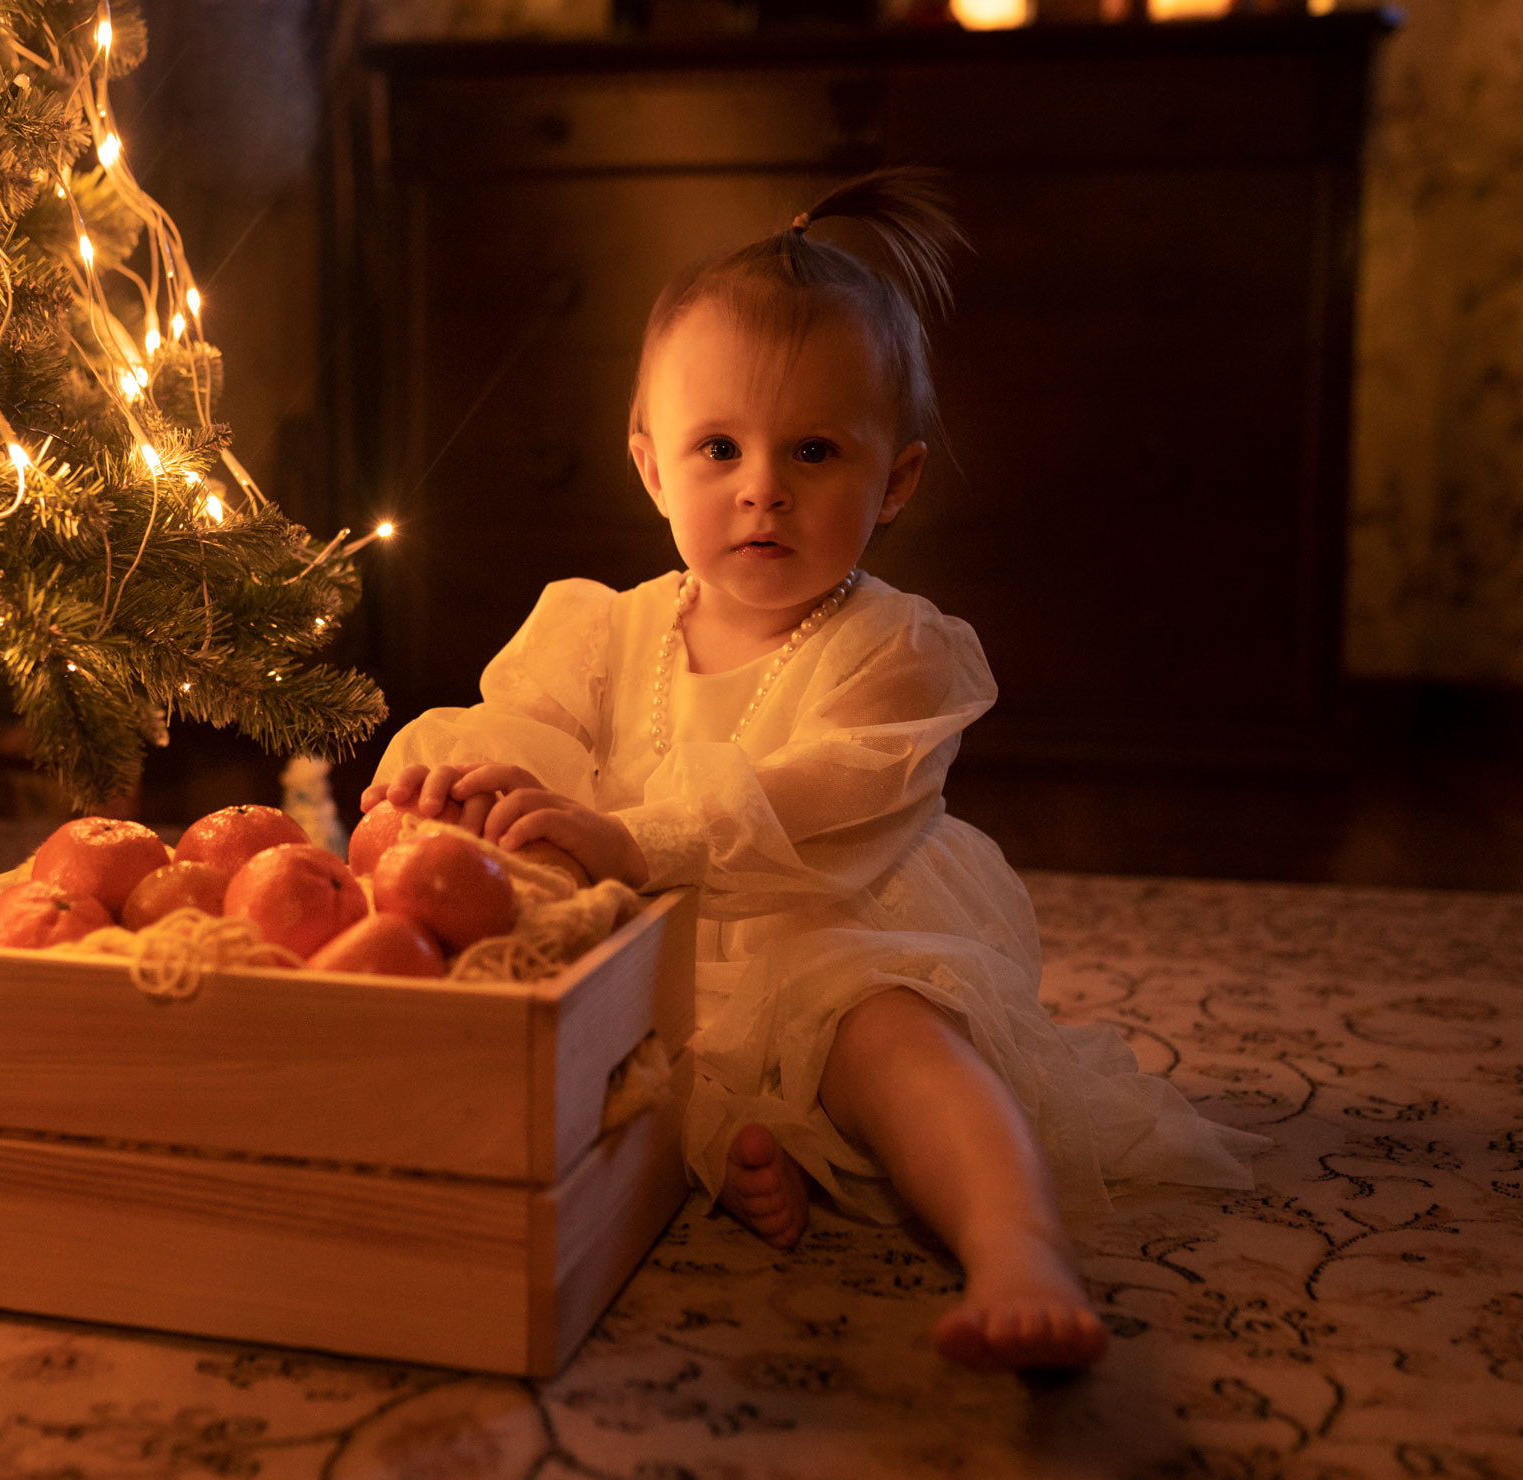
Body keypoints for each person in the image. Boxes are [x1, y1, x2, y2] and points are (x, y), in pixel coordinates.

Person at [361, 169, 1259, 1372]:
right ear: (651, 467)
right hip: (648, 957)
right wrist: (466, 787)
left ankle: (1015, 1241)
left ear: (895, 481)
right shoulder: (597, 629)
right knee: (562, 1035)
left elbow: (825, 798)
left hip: (828, 931)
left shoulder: (896, 652)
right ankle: (743, 1146)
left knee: (893, 1042)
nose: (762, 487)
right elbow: (524, 733)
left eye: (815, 450)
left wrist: (635, 839)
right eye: (717, 448)